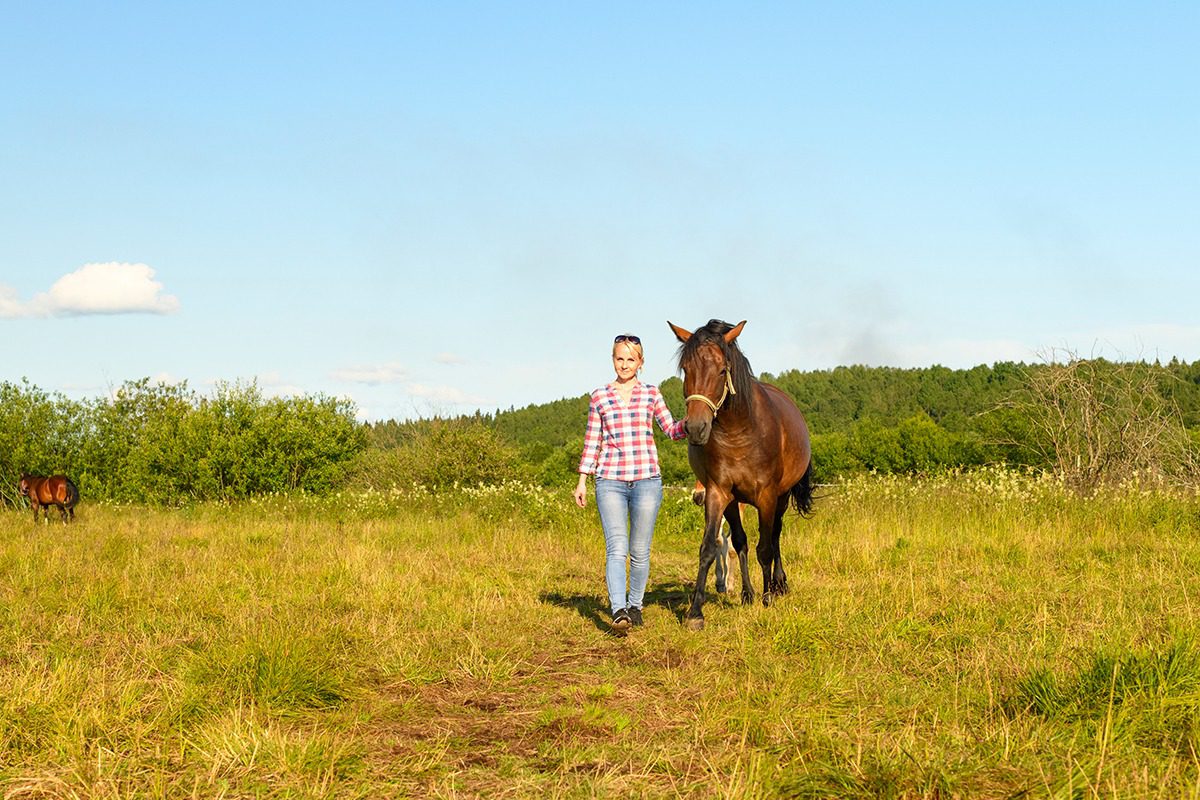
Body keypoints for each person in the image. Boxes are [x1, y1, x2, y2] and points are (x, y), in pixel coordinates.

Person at [574, 333, 687, 632]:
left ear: (640, 362)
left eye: (630, 359)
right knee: (616, 548)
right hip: (609, 479)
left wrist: (691, 423)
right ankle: (618, 609)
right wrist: (582, 480)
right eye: (619, 358)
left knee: (639, 551)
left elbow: (670, 429)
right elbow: (592, 441)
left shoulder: (651, 393)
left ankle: (635, 605)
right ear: (613, 360)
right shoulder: (600, 396)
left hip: (647, 480)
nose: (624, 364)